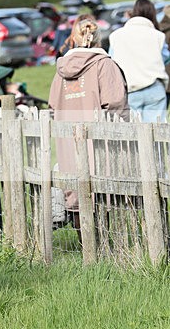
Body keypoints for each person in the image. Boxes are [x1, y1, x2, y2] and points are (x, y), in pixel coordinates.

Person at [48, 16, 128, 223]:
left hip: (68, 143)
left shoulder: (61, 72)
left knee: (75, 193)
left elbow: (52, 107)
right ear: (99, 40)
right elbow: (116, 105)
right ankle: (100, 250)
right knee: (99, 194)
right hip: (99, 145)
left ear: (74, 38)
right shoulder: (105, 65)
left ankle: (86, 249)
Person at [108, 0, 168, 122]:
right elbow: (166, 57)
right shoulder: (158, 35)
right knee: (156, 134)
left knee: (134, 135)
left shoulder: (116, 36)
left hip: (129, 89)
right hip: (154, 87)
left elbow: (111, 61)